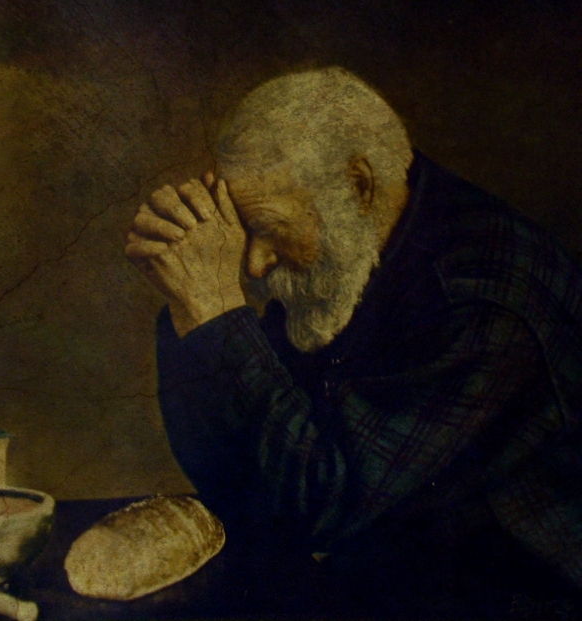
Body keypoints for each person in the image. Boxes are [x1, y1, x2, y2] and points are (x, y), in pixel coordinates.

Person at [125, 67, 582, 617]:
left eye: (268, 227)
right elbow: (240, 478)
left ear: (359, 185)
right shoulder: (346, 259)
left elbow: (323, 505)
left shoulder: (480, 297)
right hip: (389, 577)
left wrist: (215, 309)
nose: (253, 263)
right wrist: (188, 309)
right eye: (245, 232)